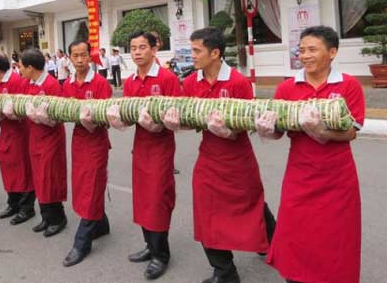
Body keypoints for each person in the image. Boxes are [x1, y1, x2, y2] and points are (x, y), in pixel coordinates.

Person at [254, 26, 365, 283]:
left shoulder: (348, 85)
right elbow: (278, 132)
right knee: (296, 234)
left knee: (336, 238)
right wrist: (266, 130)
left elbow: (351, 132)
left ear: (333, 52)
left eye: (312, 49)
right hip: (300, 174)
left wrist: (322, 132)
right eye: (301, 50)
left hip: (338, 177)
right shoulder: (288, 88)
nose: (305, 55)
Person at [181, 27, 275, 283]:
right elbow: (188, 118)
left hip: (238, 157)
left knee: (252, 204)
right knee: (206, 211)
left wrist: (229, 131)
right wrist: (174, 122)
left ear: (215, 53)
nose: (192, 55)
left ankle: (273, 244)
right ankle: (224, 270)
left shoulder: (238, 82)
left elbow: (249, 124)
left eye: (196, 50)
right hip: (209, 157)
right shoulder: (190, 82)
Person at [106, 31, 181, 280]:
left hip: (160, 148)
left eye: (142, 47)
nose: (137, 52)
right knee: (143, 198)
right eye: (133, 48)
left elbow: (178, 116)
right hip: (140, 147)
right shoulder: (129, 82)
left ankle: (162, 254)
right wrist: (119, 121)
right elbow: (128, 114)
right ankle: (150, 246)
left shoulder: (167, 78)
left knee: (157, 199)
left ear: (154, 49)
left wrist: (161, 125)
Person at [62, 40, 112, 267]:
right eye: (75, 56)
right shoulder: (67, 84)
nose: (80, 60)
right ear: (70, 58)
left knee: (92, 187)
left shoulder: (101, 84)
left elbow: (107, 117)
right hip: (79, 141)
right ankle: (101, 224)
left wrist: (92, 121)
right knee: (83, 185)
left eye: (83, 55)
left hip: (96, 141)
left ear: (90, 57)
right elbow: (63, 111)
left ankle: (81, 243)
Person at [15, 48, 67, 237]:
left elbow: (59, 115)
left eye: (20, 66)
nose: (19, 70)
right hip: (34, 137)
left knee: (50, 177)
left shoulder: (52, 85)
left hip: (50, 138)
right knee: (39, 177)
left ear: (30, 67)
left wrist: (43, 117)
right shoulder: (27, 83)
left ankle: (58, 217)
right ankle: (46, 217)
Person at [0, 51, 36, 225]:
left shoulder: (16, 81)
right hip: (5, 131)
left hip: (19, 132)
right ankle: (12, 203)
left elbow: (24, 108)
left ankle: (26, 208)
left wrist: (12, 113)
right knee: (7, 167)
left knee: (22, 169)